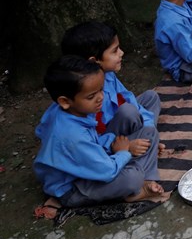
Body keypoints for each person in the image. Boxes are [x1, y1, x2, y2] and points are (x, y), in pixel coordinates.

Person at [34, 57, 167, 208]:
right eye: (91, 96)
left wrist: (115, 145)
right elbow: (107, 171)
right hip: (73, 187)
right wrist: (124, 151)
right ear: (65, 101)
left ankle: (143, 174)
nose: (101, 98)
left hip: (92, 162)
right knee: (132, 177)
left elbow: (96, 140)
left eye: (101, 90)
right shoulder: (71, 135)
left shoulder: (78, 110)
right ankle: (135, 190)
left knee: (149, 133)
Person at [60, 21, 160, 137]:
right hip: (106, 137)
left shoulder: (109, 74)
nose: (121, 53)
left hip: (117, 118)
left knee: (151, 97)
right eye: (115, 51)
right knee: (128, 112)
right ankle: (144, 139)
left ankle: (146, 134)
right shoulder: (82, 92)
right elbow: (93, 133)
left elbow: (127, 98)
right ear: (94, 61)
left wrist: (148, 126)